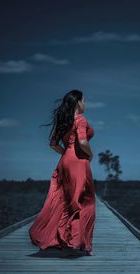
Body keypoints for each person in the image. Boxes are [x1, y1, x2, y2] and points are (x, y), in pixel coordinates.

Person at [29, 89, 96, 256]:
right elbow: (81, 140)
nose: (85, 104)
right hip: (79, 162)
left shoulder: (63, 121)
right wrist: (89, 154)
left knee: (66, 200)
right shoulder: (80, 119)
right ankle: (81, 244)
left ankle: (68, 242)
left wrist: (67, 153)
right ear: (78, 102)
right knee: (86, 201)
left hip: (65, 161)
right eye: (84, 101)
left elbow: (53, 144)